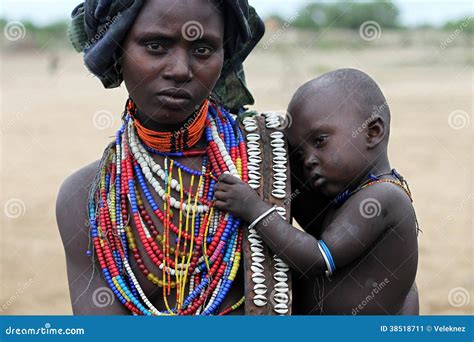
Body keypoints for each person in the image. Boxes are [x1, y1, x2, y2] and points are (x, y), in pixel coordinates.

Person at [56, 0, 269, 315]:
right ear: (116, 52)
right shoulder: (87, 197)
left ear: (224, 57)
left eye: (203, 49)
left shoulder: (270, 160)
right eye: (156, 46)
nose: (180, 70)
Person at [214, 68, 420, 315]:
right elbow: (311, 217)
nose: (309, 161)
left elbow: (317, 259)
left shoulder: (382, 198)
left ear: (373, 132)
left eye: (320, 141)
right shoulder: (351, 195)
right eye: (300, 154)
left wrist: (254, 209)